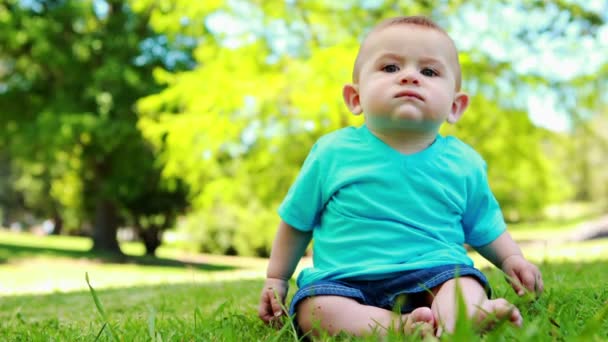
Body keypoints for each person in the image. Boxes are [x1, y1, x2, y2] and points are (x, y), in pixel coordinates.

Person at [258, 15, 544, 338]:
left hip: (437, 273)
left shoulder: (463, 163)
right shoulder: (331, 154)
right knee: (314, 311)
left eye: (429, 71)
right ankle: (400, 328)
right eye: (390, 68)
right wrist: (277, 278)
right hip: (344, 281)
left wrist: (511, 259)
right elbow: (297, 221)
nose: (409, 77)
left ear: (455, 106)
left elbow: (485, 224)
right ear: (355, 98)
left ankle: (461, 319)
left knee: (462, 284)